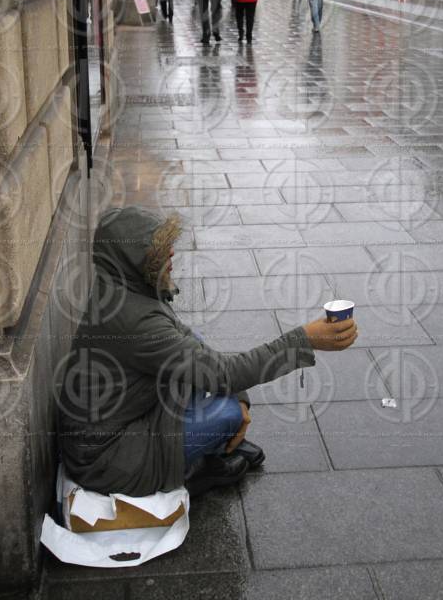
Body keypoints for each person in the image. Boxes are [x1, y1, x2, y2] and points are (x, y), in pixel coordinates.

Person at [57, 207, 358, 499]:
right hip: (105, 459)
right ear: (131, 259)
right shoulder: (135, 320)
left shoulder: (124, 287)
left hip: (126, 416)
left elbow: (197, 348)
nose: (171, 254)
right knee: (225, 414)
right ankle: (191, 472)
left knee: (200, 356)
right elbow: (225, 373)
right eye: (158, 250)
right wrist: (304, 340)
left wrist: (239, 394)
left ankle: (211, 447)